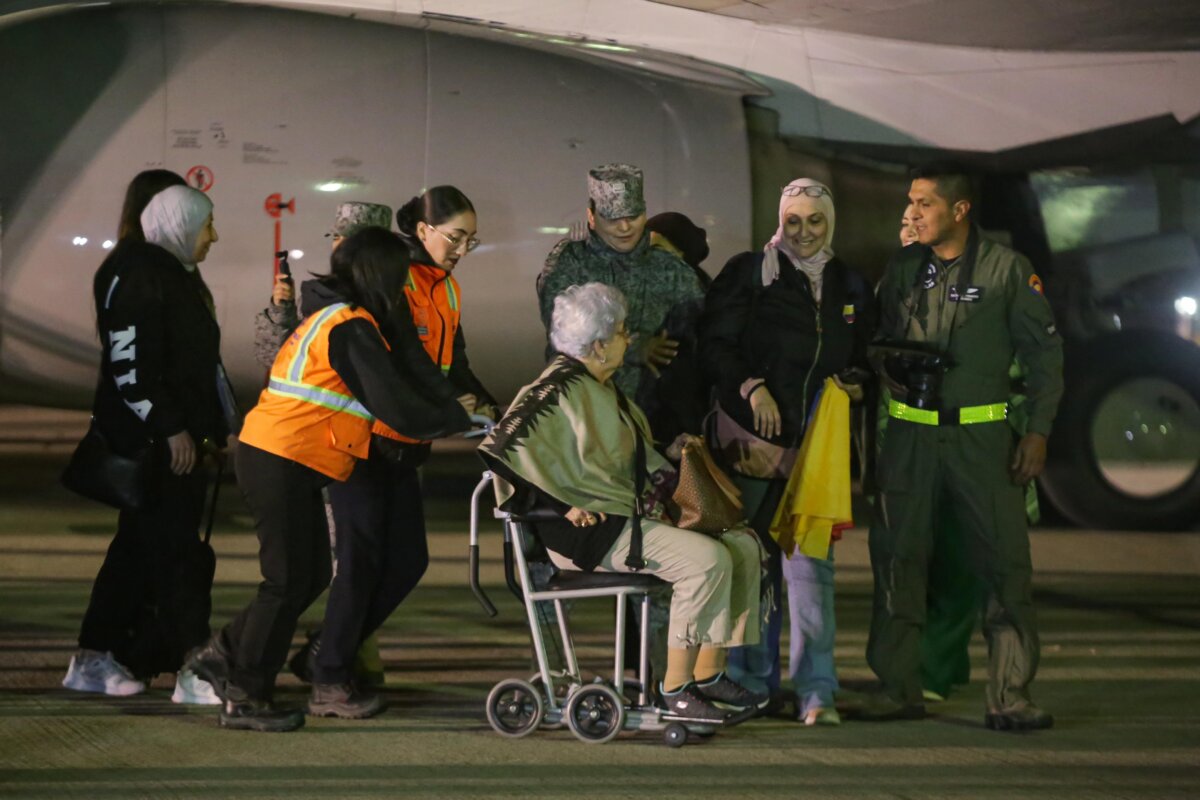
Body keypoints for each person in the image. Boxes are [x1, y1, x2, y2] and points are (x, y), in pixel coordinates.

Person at [187, 228, 471, 732]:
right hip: (281, 458)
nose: (405, 288)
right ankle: (247, 694)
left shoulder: (346, 319)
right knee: (288, 580)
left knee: (308, 576)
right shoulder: (348, 327)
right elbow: (393, 403)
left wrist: (448, 411)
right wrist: (455, 420)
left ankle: (225, 654)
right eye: (400, 277)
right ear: (380, 276)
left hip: (287, 457)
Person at [480, 282, 766, 723]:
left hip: (622, 518)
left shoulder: (598, 385)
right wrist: (562, 507)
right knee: (706, 559)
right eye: (621, 332)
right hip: (587, 533)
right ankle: (676, 689)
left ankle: (709, 675)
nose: (629, 338)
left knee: (743, 545)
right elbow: (500, 449)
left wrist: (667, 454)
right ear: (597, 345)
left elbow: (617, 456)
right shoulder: (554, 389)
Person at [864, 164, 1063, 731]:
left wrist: (1037, 431)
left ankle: (1011, 695)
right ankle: (896, 688)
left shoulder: (1007, 271)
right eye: (910, 202)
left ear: (959, 210)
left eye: (924, 203)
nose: (912, 213)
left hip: (981, 440)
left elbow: (1047, 359)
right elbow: (876, 339)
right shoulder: (904, 267)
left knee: (1004, 568)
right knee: (898, 561)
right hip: (910, 437)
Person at [299, 186, 497, 712]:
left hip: (407, 442)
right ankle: (330, 675)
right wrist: (452, 406)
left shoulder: (446, 289)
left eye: (470, 242)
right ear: (423, 230)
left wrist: (488, 404)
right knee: (360, 562)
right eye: (455, 237)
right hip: (365, 440)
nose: (460, 249)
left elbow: (453, 362)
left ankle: (326, 652)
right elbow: (404, 362)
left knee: (409, 560)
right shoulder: (395, 278)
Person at [702, 178, 876, 725]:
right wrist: (753, 387)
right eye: (793, 220)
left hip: (817, 449)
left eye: (815, 221)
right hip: (753, 447)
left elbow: (868, 353)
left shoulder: (849, 283)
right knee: (752, 567)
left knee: (811, 571)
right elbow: (715, 344)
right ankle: (753, 684)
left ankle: (816, 689)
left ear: (831, 222)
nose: (803, 232)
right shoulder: (751, 273)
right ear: (780, 219)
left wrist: (858, 384)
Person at [64, 182, 228, 705]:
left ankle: (96, 657)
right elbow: (130, 367)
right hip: (157, 449)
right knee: (174, 556)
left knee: (139, 553)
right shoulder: (140, 275)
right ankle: (192, 667)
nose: (213, 237)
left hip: (175, 444)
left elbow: (200, 367)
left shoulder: (171, 274)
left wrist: (213, 431)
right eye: (206, 224)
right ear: (176, 221)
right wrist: (171, 427)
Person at [536, 164, 705, 439]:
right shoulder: (569, 264)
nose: (625, 227)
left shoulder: (670, 270)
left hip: (649, 421)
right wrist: (636, 347)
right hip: (582, 415)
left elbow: (699, 336)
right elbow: (564, 336)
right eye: (612, 218)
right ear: (591, 217)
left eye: (633, 216)